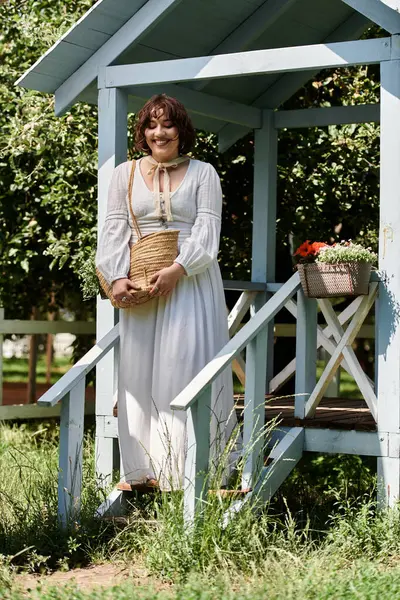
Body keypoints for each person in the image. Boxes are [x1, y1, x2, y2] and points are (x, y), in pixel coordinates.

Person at [96, 94, 236, 490]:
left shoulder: (204, 173)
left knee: (184, 365)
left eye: (168, 125)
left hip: (191, 281)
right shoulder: (123, 174)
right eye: (151, 125)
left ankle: (193, 468)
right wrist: (116, 275)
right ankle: (144, 470)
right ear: (142, 132)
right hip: (140, 282)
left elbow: (209, 232)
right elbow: (112, 230)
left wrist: (179, 268)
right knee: (138, 372)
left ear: (181, 130)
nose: (160, 132)